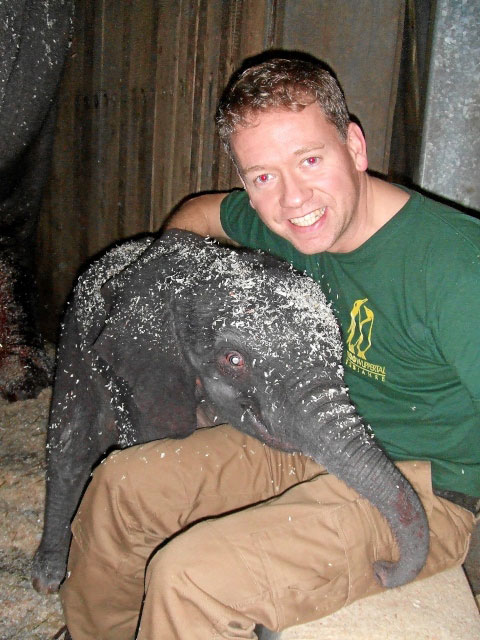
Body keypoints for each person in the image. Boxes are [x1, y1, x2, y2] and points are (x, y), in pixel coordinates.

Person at [60, 55, 479, 639]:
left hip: (426, 485)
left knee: (192, 577)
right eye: (263, 176)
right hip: (310, 435)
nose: (292, 198)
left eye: (311, 159)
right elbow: (201, 215)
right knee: (119, 490)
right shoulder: (290, 223)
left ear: (354, 147)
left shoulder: (458, 269)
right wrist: (181, 303)